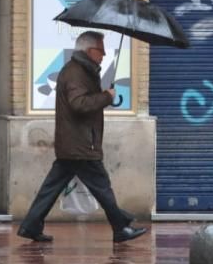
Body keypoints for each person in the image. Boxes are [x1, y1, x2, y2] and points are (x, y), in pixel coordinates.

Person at [17, 30, 148, 244]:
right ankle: (120, 227)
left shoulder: (81, 71)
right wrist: (106, 96)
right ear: (89, 50)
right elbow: (79, 104)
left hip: (74, 143)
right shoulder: (76, 73)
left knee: (51, 187)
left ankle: (31, 226)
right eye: (101, 50)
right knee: (102, 187)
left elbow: (83, 100)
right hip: (81, 144)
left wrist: (103, 95)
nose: (104, 55)